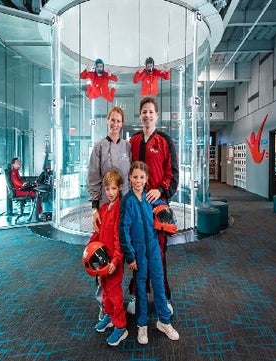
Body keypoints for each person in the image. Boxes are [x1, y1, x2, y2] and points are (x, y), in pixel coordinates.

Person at [127, 97, 179, 315]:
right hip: (137, 205)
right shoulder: (134, 141)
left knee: (157, 253)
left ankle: (163, 297)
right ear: (140, 115)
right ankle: (136, 294)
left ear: (156, 115)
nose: (147, 115)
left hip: (157, 205)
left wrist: (161, 191)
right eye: (144, 111)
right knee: (139, 252)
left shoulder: (165, 141)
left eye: (150, 111)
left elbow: (173, 174)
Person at [119, 161, 179, 345]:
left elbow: (166, 211)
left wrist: (169, 216)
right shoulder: (127, 201)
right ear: (130, 177)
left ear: (147, 180)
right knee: (142, 288)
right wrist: (130, 256)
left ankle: (164, 321)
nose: (138, 181)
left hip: (153, 249)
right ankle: (142, 325)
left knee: (159, 284)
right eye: (135, 177)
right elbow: (123, 230)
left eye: (142, 177)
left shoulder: (150, 198)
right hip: (138, 253)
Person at [87, 106, 131, 320]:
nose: (115, 124)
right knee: (104, 255)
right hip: (105, 210)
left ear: (123, 123)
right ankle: (103, 305)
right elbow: (94, 179)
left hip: (124, 210)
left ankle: (123, 301)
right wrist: (95, 207)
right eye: (112, 120)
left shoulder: (127, 147)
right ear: (107, 121)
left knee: (122, 253)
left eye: (118, 120)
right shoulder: (99, 147)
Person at [88, 170, 128, 347]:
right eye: (107, 189)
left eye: (113, 188)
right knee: (105, 290)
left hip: (114, 262)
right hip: (102, 262)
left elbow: (120, 238)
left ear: (120, 188)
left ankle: (121, 326)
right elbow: (98, 233)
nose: (110, 192)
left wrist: (116, 260)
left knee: (115, 293)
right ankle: (109, 316)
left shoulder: (120, 210)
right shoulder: (104, 209)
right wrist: (89, 250)